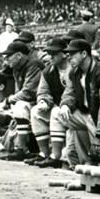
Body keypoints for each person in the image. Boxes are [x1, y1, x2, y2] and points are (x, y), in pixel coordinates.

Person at [56, 38, 100, 168]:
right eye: (68, 54)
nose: (69, 57)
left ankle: (99, 163)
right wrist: (65, 105)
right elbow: (70, 92)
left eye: (72, 54)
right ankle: (85, 164)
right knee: (61, 114)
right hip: (86, 115)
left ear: (84, 54)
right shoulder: (75, 72)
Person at [27, 37, 72, 168]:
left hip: (72, 108)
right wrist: (43, 100)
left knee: (56, 112)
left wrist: (65, 105)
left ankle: (56, 156)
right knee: (36, 111)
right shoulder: (49, 70)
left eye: (54, 53)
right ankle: (44, 153)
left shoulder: (73, 68)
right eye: (49, 53)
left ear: (64, 54)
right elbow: (43, 90)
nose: (50, 56)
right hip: (58, 107)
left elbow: (74, 92)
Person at [0, 40, 44, 160]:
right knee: (16, 109)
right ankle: (20, 148)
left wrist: (9, 99)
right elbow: (19, 91)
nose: (6, 60)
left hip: (43, 101)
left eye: (9, 56)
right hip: (31, 102)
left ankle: (22, 148)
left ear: (19, 55)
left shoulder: (34, 65)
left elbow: (28, 92)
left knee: (20, 106)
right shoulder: (17, 67)